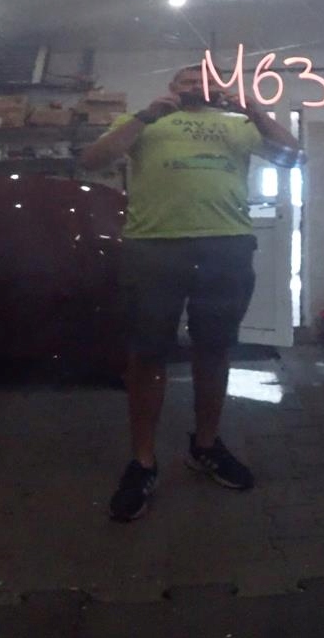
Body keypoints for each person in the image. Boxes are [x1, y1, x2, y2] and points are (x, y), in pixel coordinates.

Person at [80, 64, 303, 522]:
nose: (199, 88)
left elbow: (292, 158)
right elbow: (92, 161)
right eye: (188, 82)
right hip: (153, 248)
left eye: (209, 82)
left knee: (215, 348)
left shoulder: (239, 125)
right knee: (147, 354)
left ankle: (205, 446)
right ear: (171, 88)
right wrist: (146, 116)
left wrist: (255, 111)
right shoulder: (145, 121)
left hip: (226, 246)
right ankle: (142, 461)